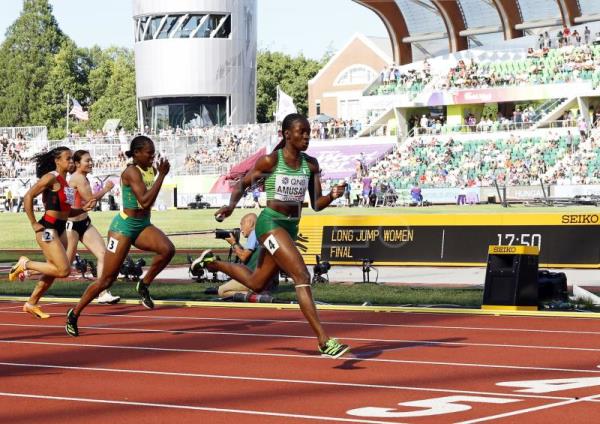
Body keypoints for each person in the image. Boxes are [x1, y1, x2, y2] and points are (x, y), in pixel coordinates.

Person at [191, 113, 350, 359]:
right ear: (287, 134)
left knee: (257, 283)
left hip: (290, 227)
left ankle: (210, 262)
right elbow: (242, 184)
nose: (307, 136)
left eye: (309, 132)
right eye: (302, 132)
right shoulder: (271, 162)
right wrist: (231, 207)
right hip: (270, 224)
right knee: (301, 275)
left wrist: (333, 195)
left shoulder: (311, 165)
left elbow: (317, 204)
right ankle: (324, 340)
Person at [65, 136, 175, 336]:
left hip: (142, 225)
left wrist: (158, 174)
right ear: (136, 153)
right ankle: (74, 313)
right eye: (149, 152)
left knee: (168, 249)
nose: (153, 155)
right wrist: (162, 176)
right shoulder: (131, 171)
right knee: (106, 280)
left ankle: (144, 284)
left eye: (153, 152)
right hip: (123, 228)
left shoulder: (150, 168)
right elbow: (144, 201)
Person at [8, 147, 95, 318]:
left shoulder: (66, 184)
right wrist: (33, 223)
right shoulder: (51, 177)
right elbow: (28, 196)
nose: (72, 162)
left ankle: (31, 303)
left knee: (52, 271)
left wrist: (82, 209)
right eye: (68, 159)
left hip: (61, 228)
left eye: (72, 159)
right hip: (48, 228)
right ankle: (25, 264)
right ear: (57, 161)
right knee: (63, 270)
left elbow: (67, 212)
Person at [66, 150, 120, 305]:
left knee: (103, 254)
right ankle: (27, 266)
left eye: (91, 160)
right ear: (77, 164)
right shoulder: (78, 178)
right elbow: (90, 201)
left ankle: (103, 293)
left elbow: (85, 203)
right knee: (64, 266)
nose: (91, 163)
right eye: (87, 161)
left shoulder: (81, 178)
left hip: (84, 222)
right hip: (72, 225)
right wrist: (106, 189)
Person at [208, 212, 270, 298]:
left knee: (222, 291)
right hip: (265, 280)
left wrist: (234, 244)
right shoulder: (260, 233)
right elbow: (247, 254)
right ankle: (256, 294)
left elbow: (243, 257)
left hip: (253, 278)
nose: (241, 229)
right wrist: (236, 243)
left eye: (242, 224)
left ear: (251, 223)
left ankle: (256, 295)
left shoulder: (254, 233)